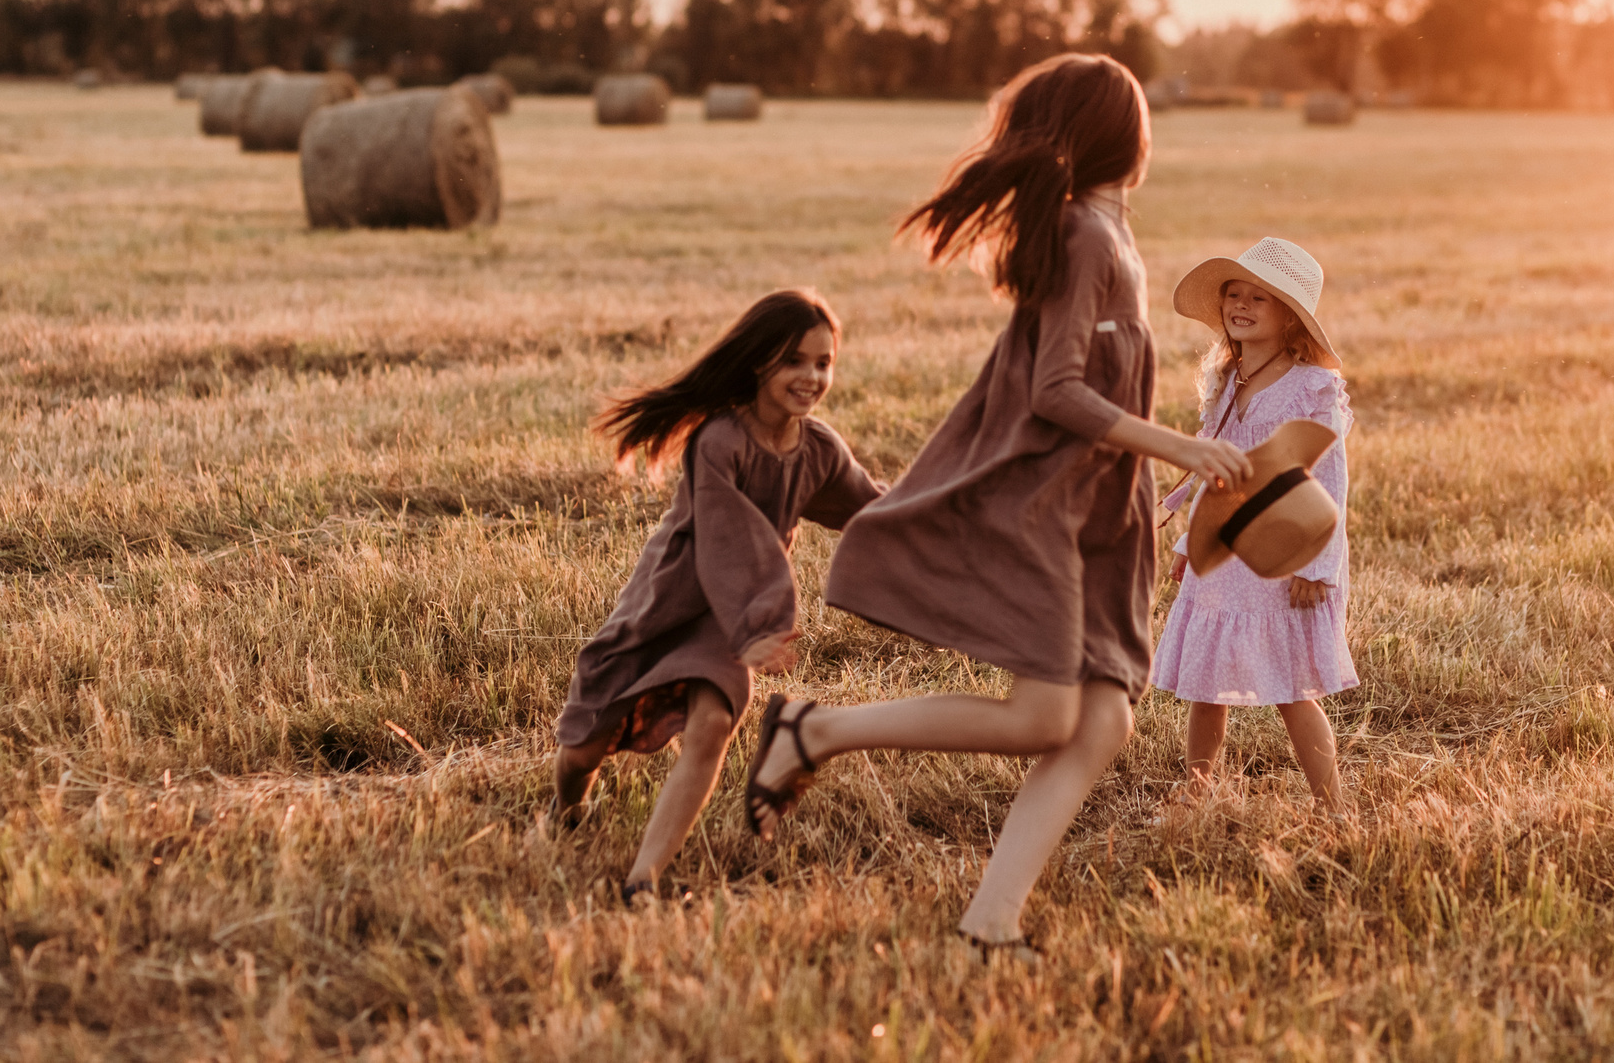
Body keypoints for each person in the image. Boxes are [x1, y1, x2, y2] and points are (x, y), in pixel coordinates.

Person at [738, 53, 1252, 954]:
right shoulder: (1088, 238)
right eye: (1138, 114)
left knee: (1102, 721)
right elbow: (1056, 391)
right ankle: (813, 729)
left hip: (1096, 508)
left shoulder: (1110, 237)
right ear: (1122, 138)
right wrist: (1178, 445)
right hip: (1042, 503)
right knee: (1046, 716)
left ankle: (991, 920)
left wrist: (1152, 487)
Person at [548, 289, 884, 902]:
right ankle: (565, 811)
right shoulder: (720, 440)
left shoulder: (819, 449)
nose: (811, 377)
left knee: (712, 726)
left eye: (823, 363)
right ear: (759, 362)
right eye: (795, 361)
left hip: (733, 618)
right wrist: (762, 622)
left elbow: (874, 511)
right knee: (585, 746)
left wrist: (948, 516)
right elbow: (732, 537)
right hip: (675, 598)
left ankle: (642, 880)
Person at [1151, 237, 1357, 807]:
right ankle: (1196, 788)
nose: (1240, 305)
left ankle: (1333, 803)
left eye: (1259, 298)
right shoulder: (1228, 378)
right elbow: (1211, 464)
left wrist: (1318, 564)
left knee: (1293, 690)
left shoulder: (1310, 389)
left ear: (1289, 315)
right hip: (1224, 556)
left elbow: (1331, 483)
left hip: (1283, 555)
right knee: (1204, 683)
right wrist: (1190, 538)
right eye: (1233, 295)